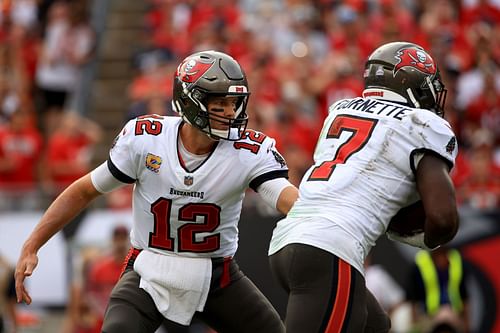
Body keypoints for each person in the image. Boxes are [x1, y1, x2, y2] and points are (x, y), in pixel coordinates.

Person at [15, 50, 298, 333]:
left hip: (215, 275)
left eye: (234, 103)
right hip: (148, 271)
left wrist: (317, 222)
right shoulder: (146, 140)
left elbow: (285, 197)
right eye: (219, 103)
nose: (230, 112)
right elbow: (83, 191)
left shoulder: (246, 151)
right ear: (189, 101)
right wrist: (32, 245)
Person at [268, 41, 460, 333]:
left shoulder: (339, 110)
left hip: (288, 241)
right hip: (330, 248)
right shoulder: (421, 124)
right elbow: (443, 219)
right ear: (409, 83)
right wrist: (417, 236)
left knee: (375, 325)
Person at [405, 246, 470, 333]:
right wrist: (415, 324)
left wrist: (466, 323)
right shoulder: (420, 265)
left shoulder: (457, 262)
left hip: (455, 315)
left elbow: (464, 296)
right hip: (428, 316)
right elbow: (413, 299)